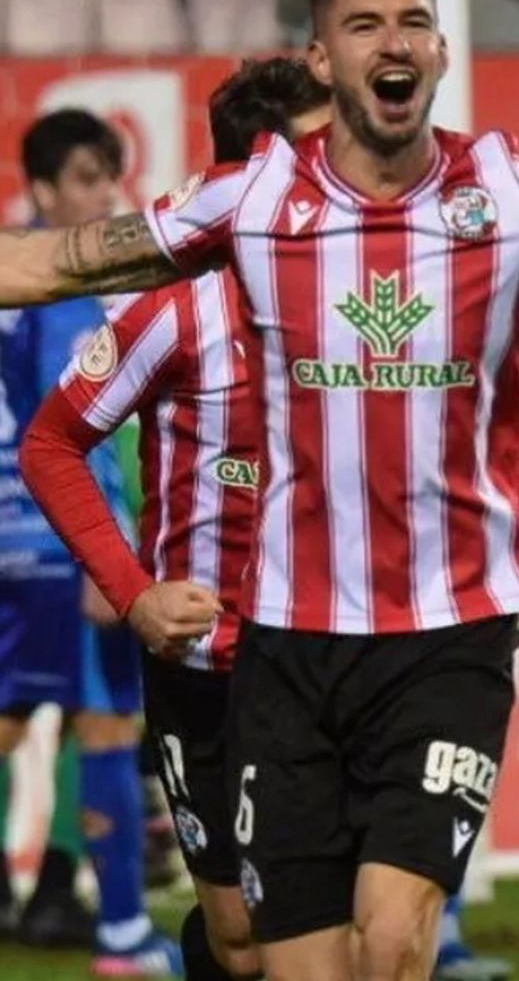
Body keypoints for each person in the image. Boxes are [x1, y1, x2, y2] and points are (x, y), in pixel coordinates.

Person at [0, 0, 519, 980]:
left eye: (414, 19)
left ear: (439, 50)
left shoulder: (504, 197)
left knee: (394, 938)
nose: (396, 39)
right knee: (275, 957)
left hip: (443, 638)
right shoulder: (246, 209)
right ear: (324, 58)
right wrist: (135, 584)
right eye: (365, 20)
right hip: (282, 646)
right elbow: (56, 265)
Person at [21, 57, 333, 981]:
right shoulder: (176, 307)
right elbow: (53, 443)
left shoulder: (379, 296)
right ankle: (97, 909)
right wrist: (131, 587)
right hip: (208, 659)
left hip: (343, 654)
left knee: (357, 929)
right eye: (322, 150)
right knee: (239, 943)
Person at [0, 109, 181, 975]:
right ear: (39, 189)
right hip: (63, 545)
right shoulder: (69, 285)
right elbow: (69, 426)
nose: (103, 194)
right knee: (108, 726)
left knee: (6, 726)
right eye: (82, 177)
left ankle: (29, 897)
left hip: (6, 541)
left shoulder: (8, 272)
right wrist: (106, 555)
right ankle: (121, 935)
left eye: (108, 174)